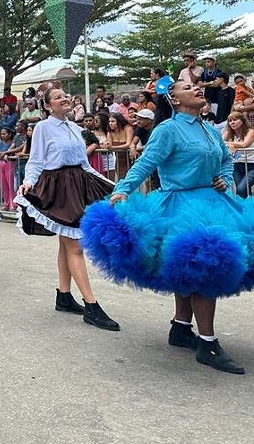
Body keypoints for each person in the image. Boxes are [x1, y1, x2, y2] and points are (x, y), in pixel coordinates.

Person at [81, 77, 251, 374]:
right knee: (201, 265)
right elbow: (146, 163)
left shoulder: (210, 129)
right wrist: (123, 189)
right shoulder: (168, 129)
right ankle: (208, 343)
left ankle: (181, 327)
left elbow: (226, 158)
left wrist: (225, 181)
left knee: (195, 267)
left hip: (215, 202)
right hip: (179, 204)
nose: (197, 88)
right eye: (188, 88)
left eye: (196, 86)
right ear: (174, 100)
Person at [14, 88, 119, 331]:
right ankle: (91, 305)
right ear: (49, 106)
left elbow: (84, 164)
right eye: (58, 97)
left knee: (66, 243)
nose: (64, 99)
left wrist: (110, 184)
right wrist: (29, 182)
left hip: (78, 185)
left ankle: (64, 295)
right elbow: (37, 160)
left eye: (65, 96)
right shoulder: (43, 128)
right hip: (58, 188)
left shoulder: (75, 127)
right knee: (75, 245)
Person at [223, 111, 254, 198]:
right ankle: (246, 209)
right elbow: (220, 143)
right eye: (230, 120)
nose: (232, 122)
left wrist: (230, 145)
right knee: (241, 192)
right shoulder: (228, 133)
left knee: (241, 189)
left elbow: (244, 144)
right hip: (237, 165)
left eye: (235, 120)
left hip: (252, 165)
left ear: (242, 121)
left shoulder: (250, 131)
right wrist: (231, 146)